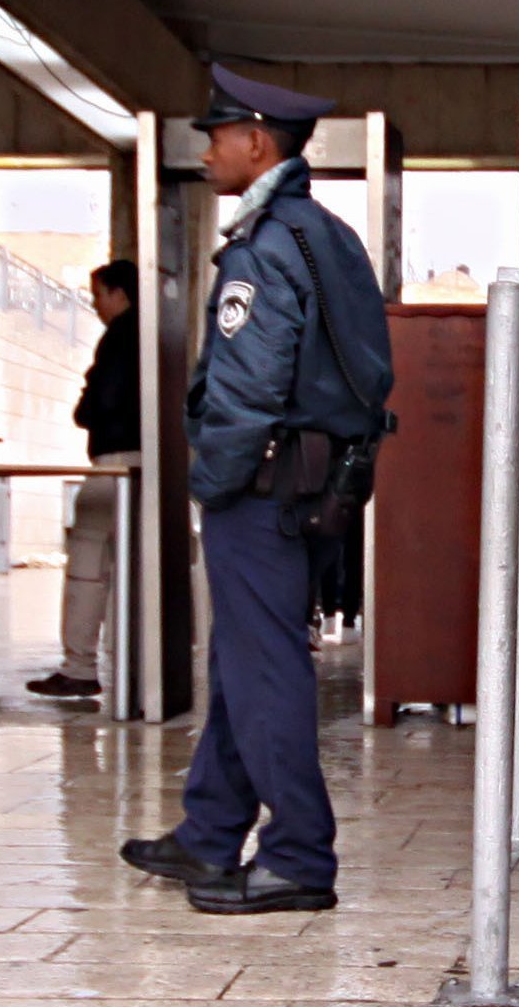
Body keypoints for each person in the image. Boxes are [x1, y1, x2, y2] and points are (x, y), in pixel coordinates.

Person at [120, 69, 393, 916]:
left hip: (264, 484)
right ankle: (210, 832)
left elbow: (248, 383)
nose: (206, 152)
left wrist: (213, 482)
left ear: (257, 143)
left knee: (266, 667)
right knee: (247, 658)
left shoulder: (267, 243)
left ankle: (300, 856)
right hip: (313, 481)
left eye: (217, 136)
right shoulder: (326, 232)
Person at [30, 261, 140, 702]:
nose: (95, 306)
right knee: (133, 568)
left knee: (88, 568)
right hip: (150, 466)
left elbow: (97, 404)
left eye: (98, 296)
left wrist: (88, 400)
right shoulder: (158, 335)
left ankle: (78, 667)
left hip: (115, 463)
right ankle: (139, 664)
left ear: (119, 293)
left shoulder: (119, 337)